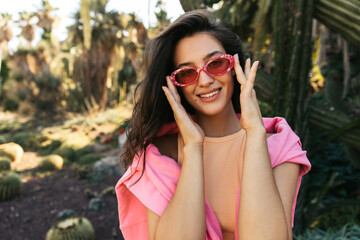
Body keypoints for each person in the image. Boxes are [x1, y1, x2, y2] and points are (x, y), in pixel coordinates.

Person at [115, 9, 311, 240]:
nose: (206, 80)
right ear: (174, 85)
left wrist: (255, 133)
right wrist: (193, 148)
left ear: (234, 66)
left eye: (216, 63)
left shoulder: (279, 145)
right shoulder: (159, 154)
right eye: (187, 73)